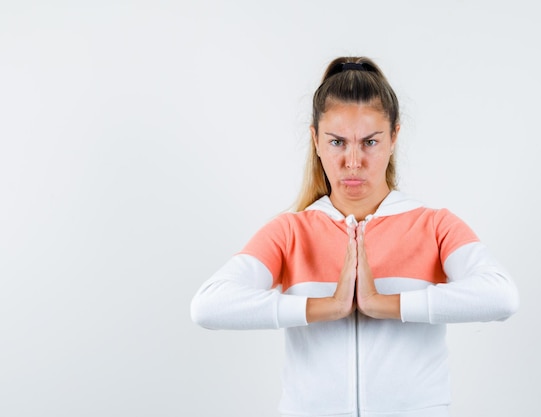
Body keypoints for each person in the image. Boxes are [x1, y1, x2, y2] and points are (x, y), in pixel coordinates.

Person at [190, 56, 519, 417]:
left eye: (370, 142)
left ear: (394, 137)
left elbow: (501, 295)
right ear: (315, 140)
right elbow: (208, 305)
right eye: (337, 142)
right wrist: (326, 307)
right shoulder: (291, 231)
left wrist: (384, 304)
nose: (353, 161)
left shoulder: (434, 226)